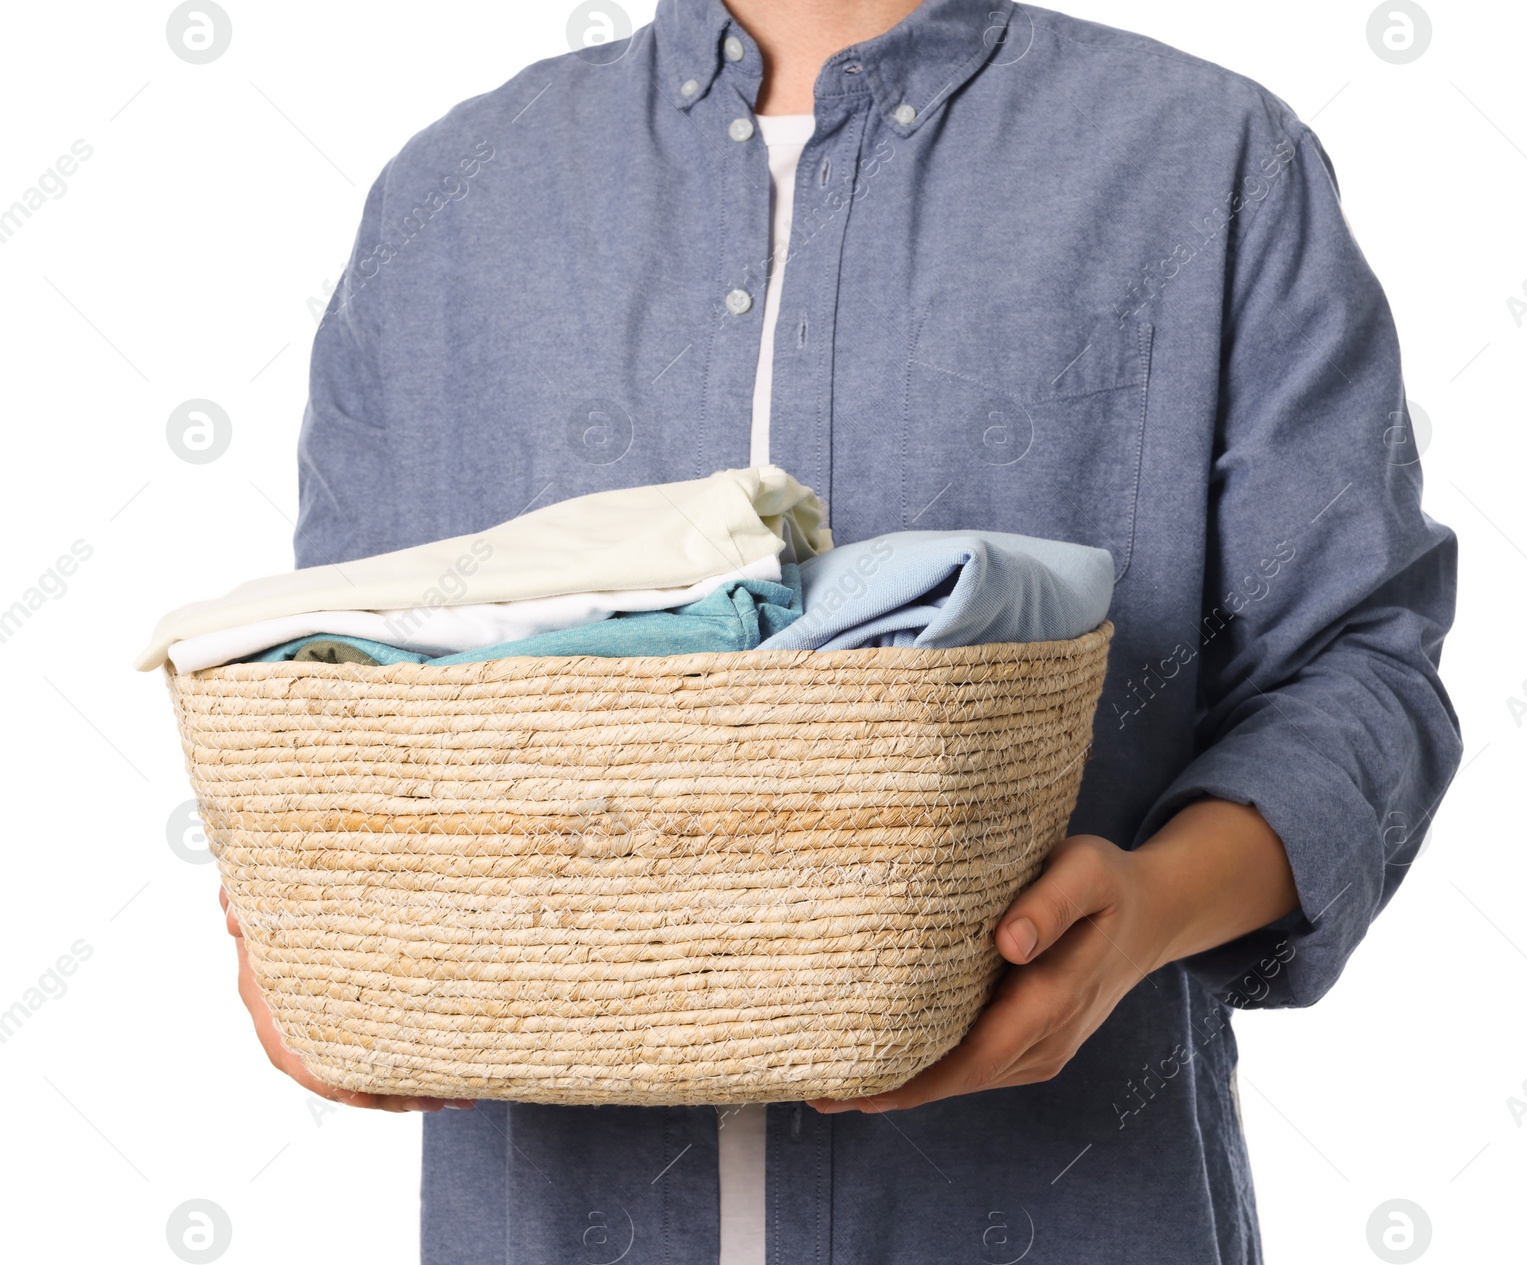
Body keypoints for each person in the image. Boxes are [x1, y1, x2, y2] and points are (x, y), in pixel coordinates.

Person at [221, 1, 1462, 1261]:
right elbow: (330, 689)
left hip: (1056, 1207)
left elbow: (1359, 673)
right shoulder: (451, 200)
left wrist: (1144, 908)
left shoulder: (1208, 160)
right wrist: (293, 930)